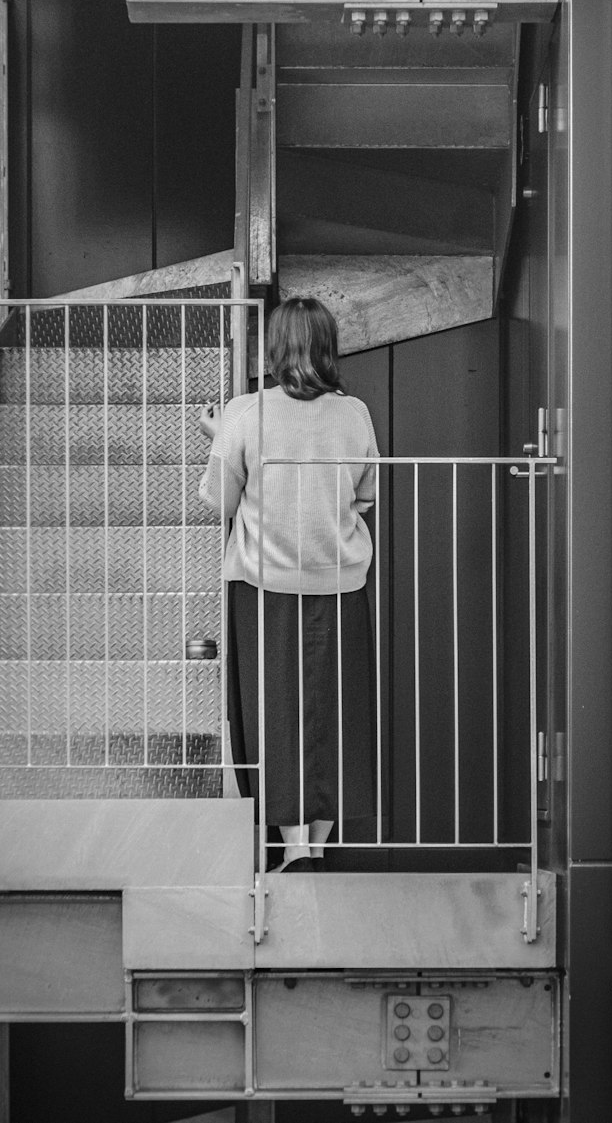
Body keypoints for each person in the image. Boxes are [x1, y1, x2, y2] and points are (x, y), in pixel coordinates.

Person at [198, 297, 378, 872]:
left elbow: (218, 499)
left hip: (262, 586)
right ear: (328, 346)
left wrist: (218, 434)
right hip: (339, 585)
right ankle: (316, 847)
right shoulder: (355, 415)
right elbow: (366, 494)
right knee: (333, 713)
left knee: (273, 711)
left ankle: (293, 846)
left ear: (274, 349)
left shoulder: (245, 412)